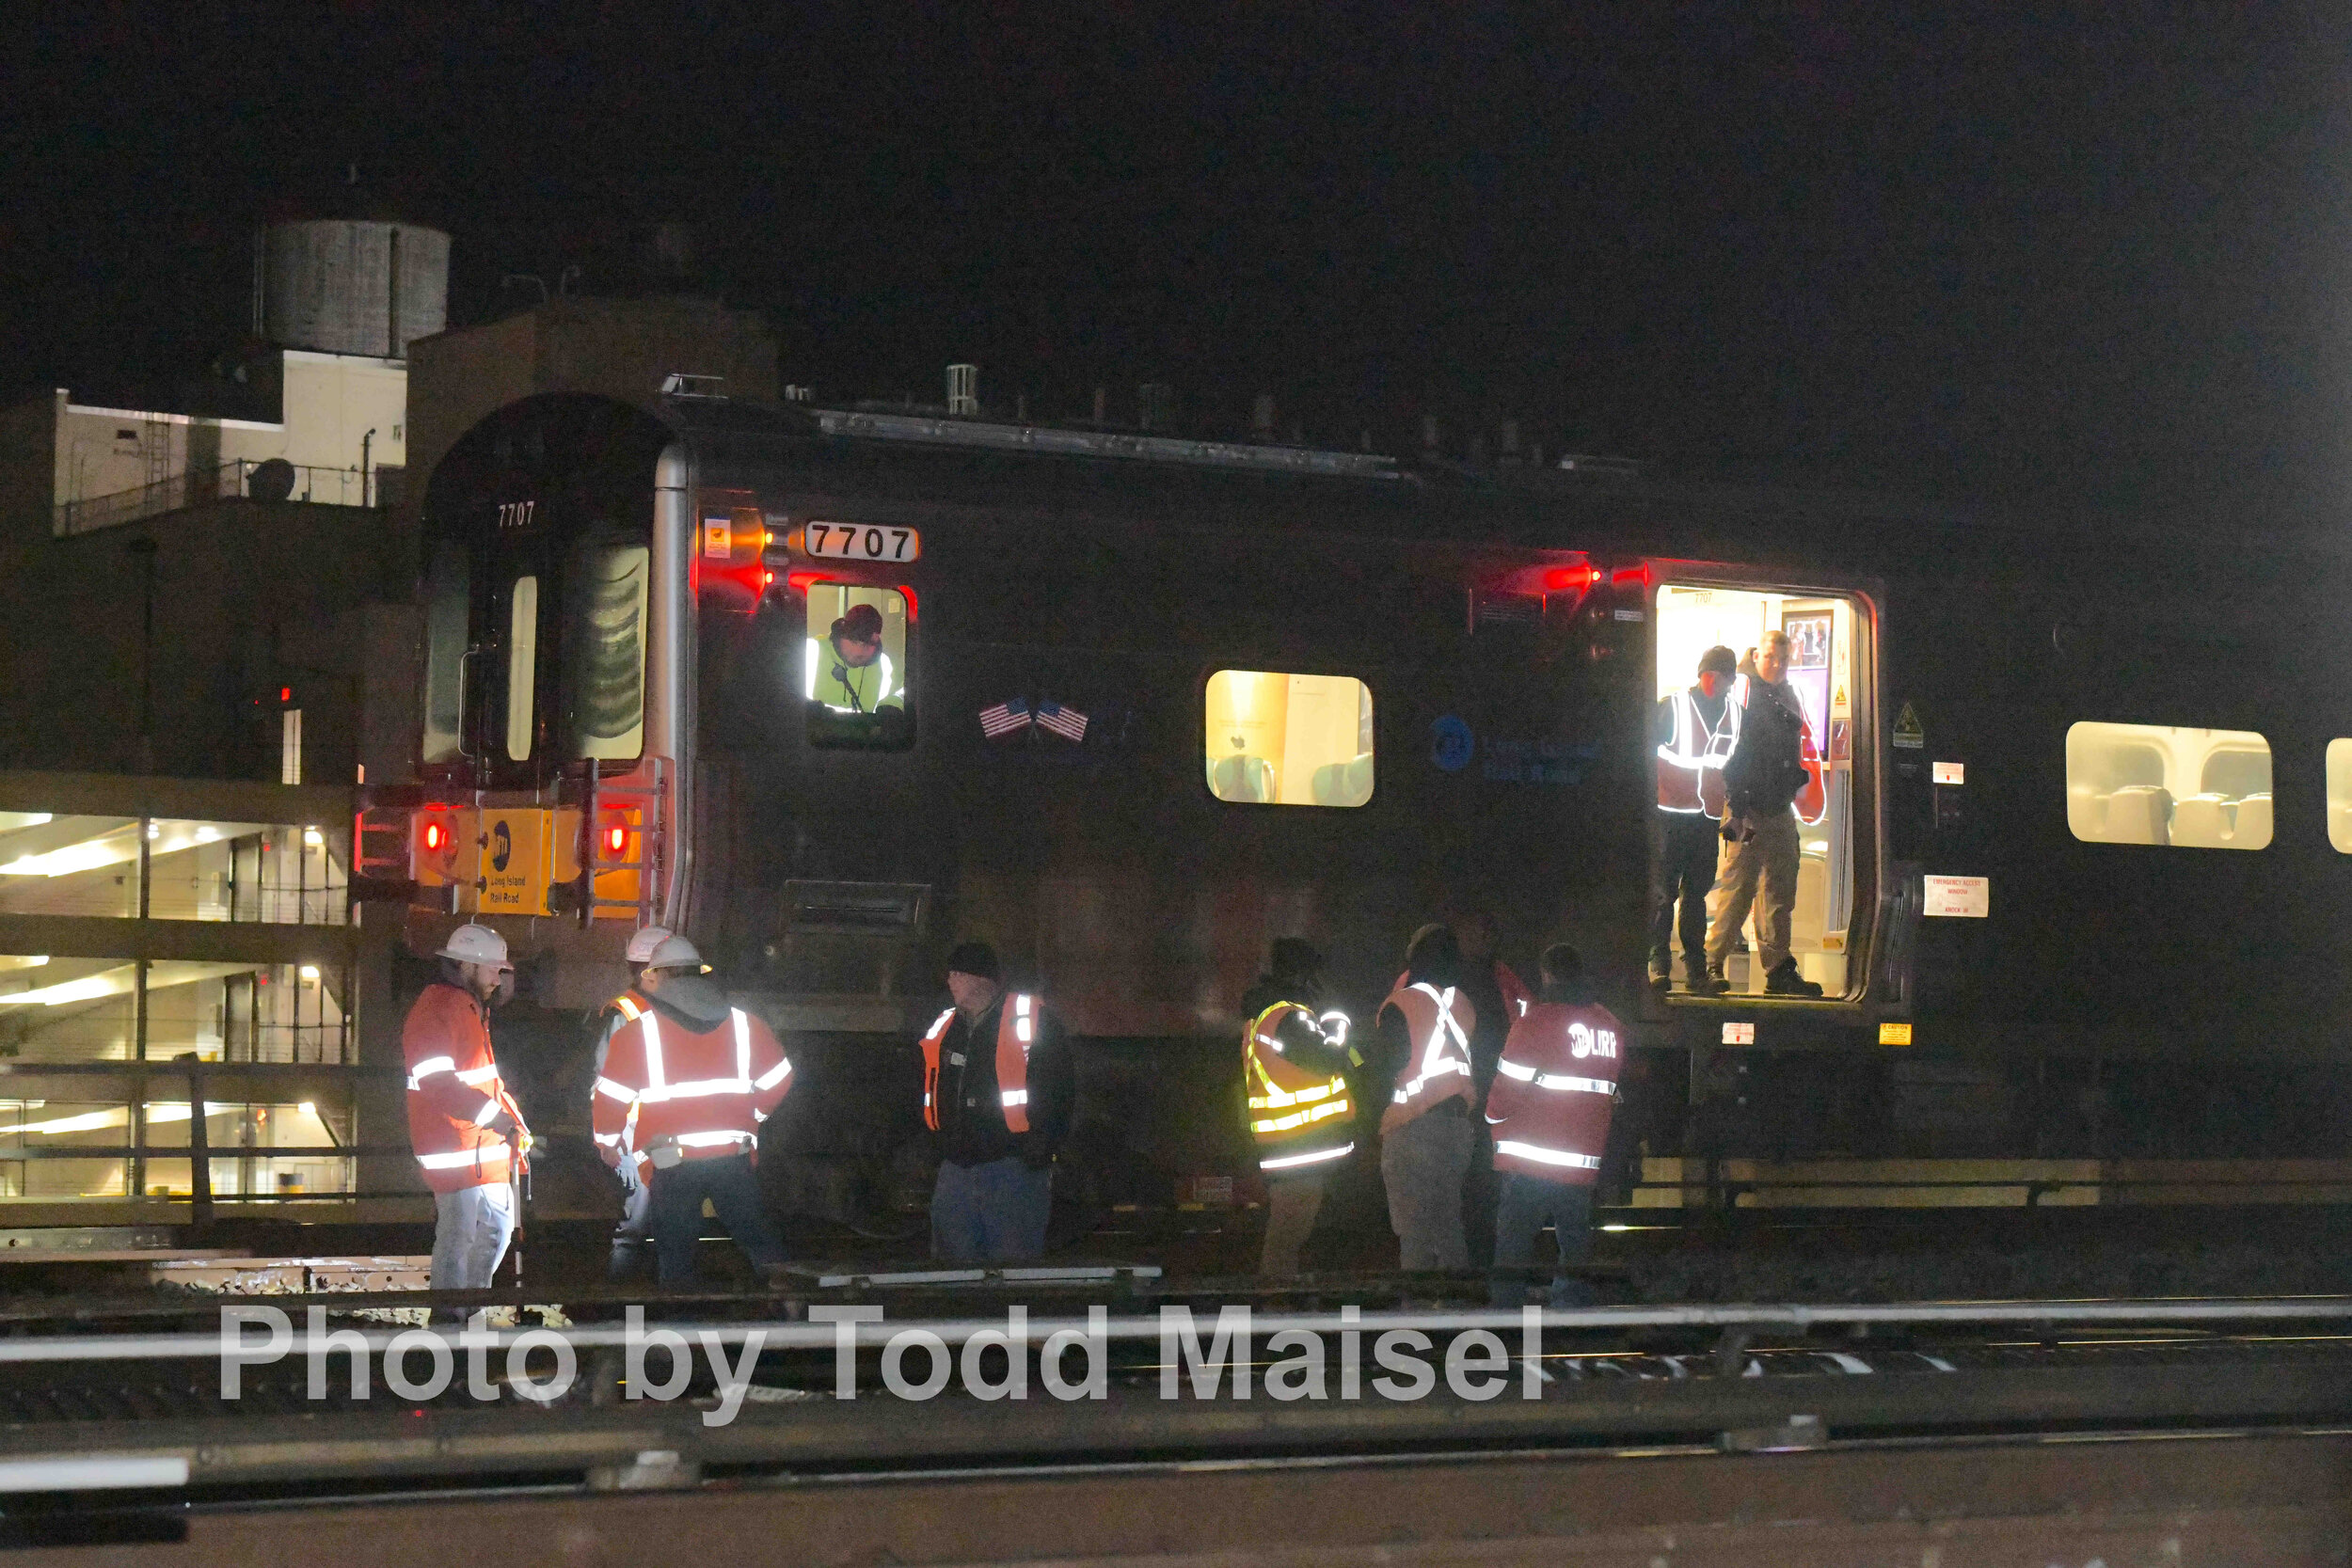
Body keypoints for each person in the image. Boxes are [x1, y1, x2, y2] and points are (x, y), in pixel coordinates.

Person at [593, 936, 795, 1286]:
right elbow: (781, 1079)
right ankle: (793, 1319)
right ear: (700, 974)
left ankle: (681, 1329)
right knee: (763, 1248)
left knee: (675, 1260)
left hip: (672, 1163)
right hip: (733, 1160)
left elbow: (611, 1097)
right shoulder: (747, 1025)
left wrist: (608, 1144)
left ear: (658, 977)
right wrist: (752, 1119)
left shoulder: (639, 1033)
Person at [1486, 944, 1625, 1308]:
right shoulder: (1610, 1026)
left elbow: (1505, 1091)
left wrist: (1490, 1120)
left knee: (1513, 1251)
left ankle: (1505, 1329)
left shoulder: (1535, 1022)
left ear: (1547, 975)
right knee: (1576, 1251)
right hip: (1582, 1166)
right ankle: (1572, 1329)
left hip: (1531, 1162)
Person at [919, 942, 1075, 1263]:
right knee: (953, 1270)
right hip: (957, 1165)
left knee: (1011, 1271)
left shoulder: (1030, 1019)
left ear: (981, 979)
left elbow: (1058, 1084)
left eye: (958, 973)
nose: (950, 981)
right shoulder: (947, 1025)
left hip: (1011, 1165)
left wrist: (1043, 1145)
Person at [403, 923, 530, 1304]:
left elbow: (485, 1080)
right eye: (493, 969)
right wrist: (498, 1118)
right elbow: (438, 1083)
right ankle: (451, 1321)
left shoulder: (465, 1008)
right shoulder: (439, 1010)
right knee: (458, 1238)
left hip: (479, 1146)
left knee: (496, 1231)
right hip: (455, 1147)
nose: (499, 978)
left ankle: (468, 1311)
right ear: (467, 966)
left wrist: (515, 1123)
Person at [1707, 629, 1826, 997]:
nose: (1777, 665)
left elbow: (1790, 747)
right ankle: (1709, 964)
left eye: (1784, 659)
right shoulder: (1743, 693)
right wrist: (1738, 810)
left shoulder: (1786, 695)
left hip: (1776, 805)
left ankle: (1777, 969)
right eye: (1771, 657)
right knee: (1738, 888)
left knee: (1780, 889)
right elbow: (1736, 755)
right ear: (1757, 656)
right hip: (1747, 806)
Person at [1239, 938, 1359, 1275]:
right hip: (1301, 1151)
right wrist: (1337, 1018)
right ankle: (1276, 1315)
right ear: (1302, 975)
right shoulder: (1286, 1017)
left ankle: (1281, 1311)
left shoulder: (1271, 1015)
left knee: (1287, 1244)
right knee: (1285, 1244)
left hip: (1293, 1148)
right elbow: (1329, 1056)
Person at [1371, 925, 1479, 1271]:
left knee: (1413, 1231)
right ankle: (1456, 1308)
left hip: (1412, 1126)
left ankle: (1415, 1313)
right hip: (1458, 1129)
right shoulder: (1463, 1003)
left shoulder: (1401, 1003)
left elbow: (1386, 1064)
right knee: (1448, 1223)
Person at [1652, 646, 1739, 994]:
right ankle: (1658, 964)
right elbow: (1640, 756)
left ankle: (1695, 968)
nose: (1719, 683)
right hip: (1669, 816)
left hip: (1707, 819)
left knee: (1696, 897)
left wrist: (1739, 813)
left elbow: (1736, 766)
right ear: (1705, 674)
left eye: (1726, 677)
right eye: (1715, 675)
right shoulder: (1671, 707)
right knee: (1663, 895)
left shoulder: (1734, 713)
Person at [590, 925, 671, 1281]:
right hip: (637, 1140)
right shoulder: (628, 1014)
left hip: (658, 1137)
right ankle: (620, 1306)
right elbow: (605, 1085)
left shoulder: (656, 1010)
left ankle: (635, 1305)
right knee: (636, 1228)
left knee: (655, 1224)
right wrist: (612, 1142)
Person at [1451, 911, 1531, 1271]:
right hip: (1477, 1098)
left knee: (1476, 1188)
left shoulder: (1481, 977)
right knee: (1478, 1188)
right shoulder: (1496, 977)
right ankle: (1480, 1264)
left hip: (1475, 1099)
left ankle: (1476, 1266)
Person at [808, 601, 902, 714]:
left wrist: (894, 706)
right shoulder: (811, 651)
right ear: (842, 634)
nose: (859, 651)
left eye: (867, 644)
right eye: (854, 641)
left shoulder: (884, 664)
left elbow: (902, 693)